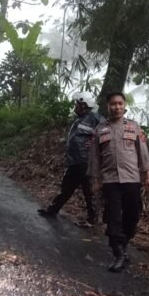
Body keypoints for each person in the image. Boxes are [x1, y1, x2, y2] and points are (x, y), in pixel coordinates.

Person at [88, 91, 149, 272]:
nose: (117, 107)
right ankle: (118, 252)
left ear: (124, 106)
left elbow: (143, 153)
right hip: (110, 180)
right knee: (113, 217)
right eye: (113, 104)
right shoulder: (100, 130)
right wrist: (95, 180)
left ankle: (123, 242)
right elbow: (94, 158)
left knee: (132, 215)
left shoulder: (134, 127)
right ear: (107, 106)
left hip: (132, 178)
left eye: (120, 104)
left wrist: (148, 176)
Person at [38, 92, 103, 225]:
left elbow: (107, 132)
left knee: (88, 191)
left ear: (84, 105)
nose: (75, 106)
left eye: (77, 104)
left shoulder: (94, 118)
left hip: (85, 162)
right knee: (66, 188)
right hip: (75, 161)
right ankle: (52, 210)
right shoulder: (80, 118)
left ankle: (92, 220)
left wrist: (95, 142)